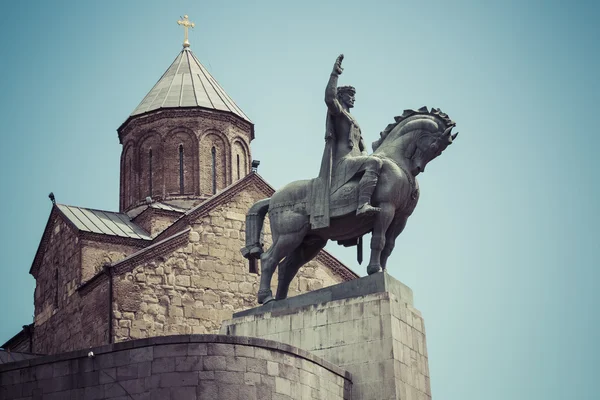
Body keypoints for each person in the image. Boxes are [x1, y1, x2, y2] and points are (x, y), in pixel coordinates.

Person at [310, 54, 383, 230]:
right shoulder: (338, 113)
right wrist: (335, 74)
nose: (353, 98)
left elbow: (363, 148)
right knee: (375, 163)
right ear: (341, 96)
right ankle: (362, 204)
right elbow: (329, 98)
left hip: (355, 160)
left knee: (379, 161)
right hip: (343, 162)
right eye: (350, 95)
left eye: (354, 95)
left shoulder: (354, 120)